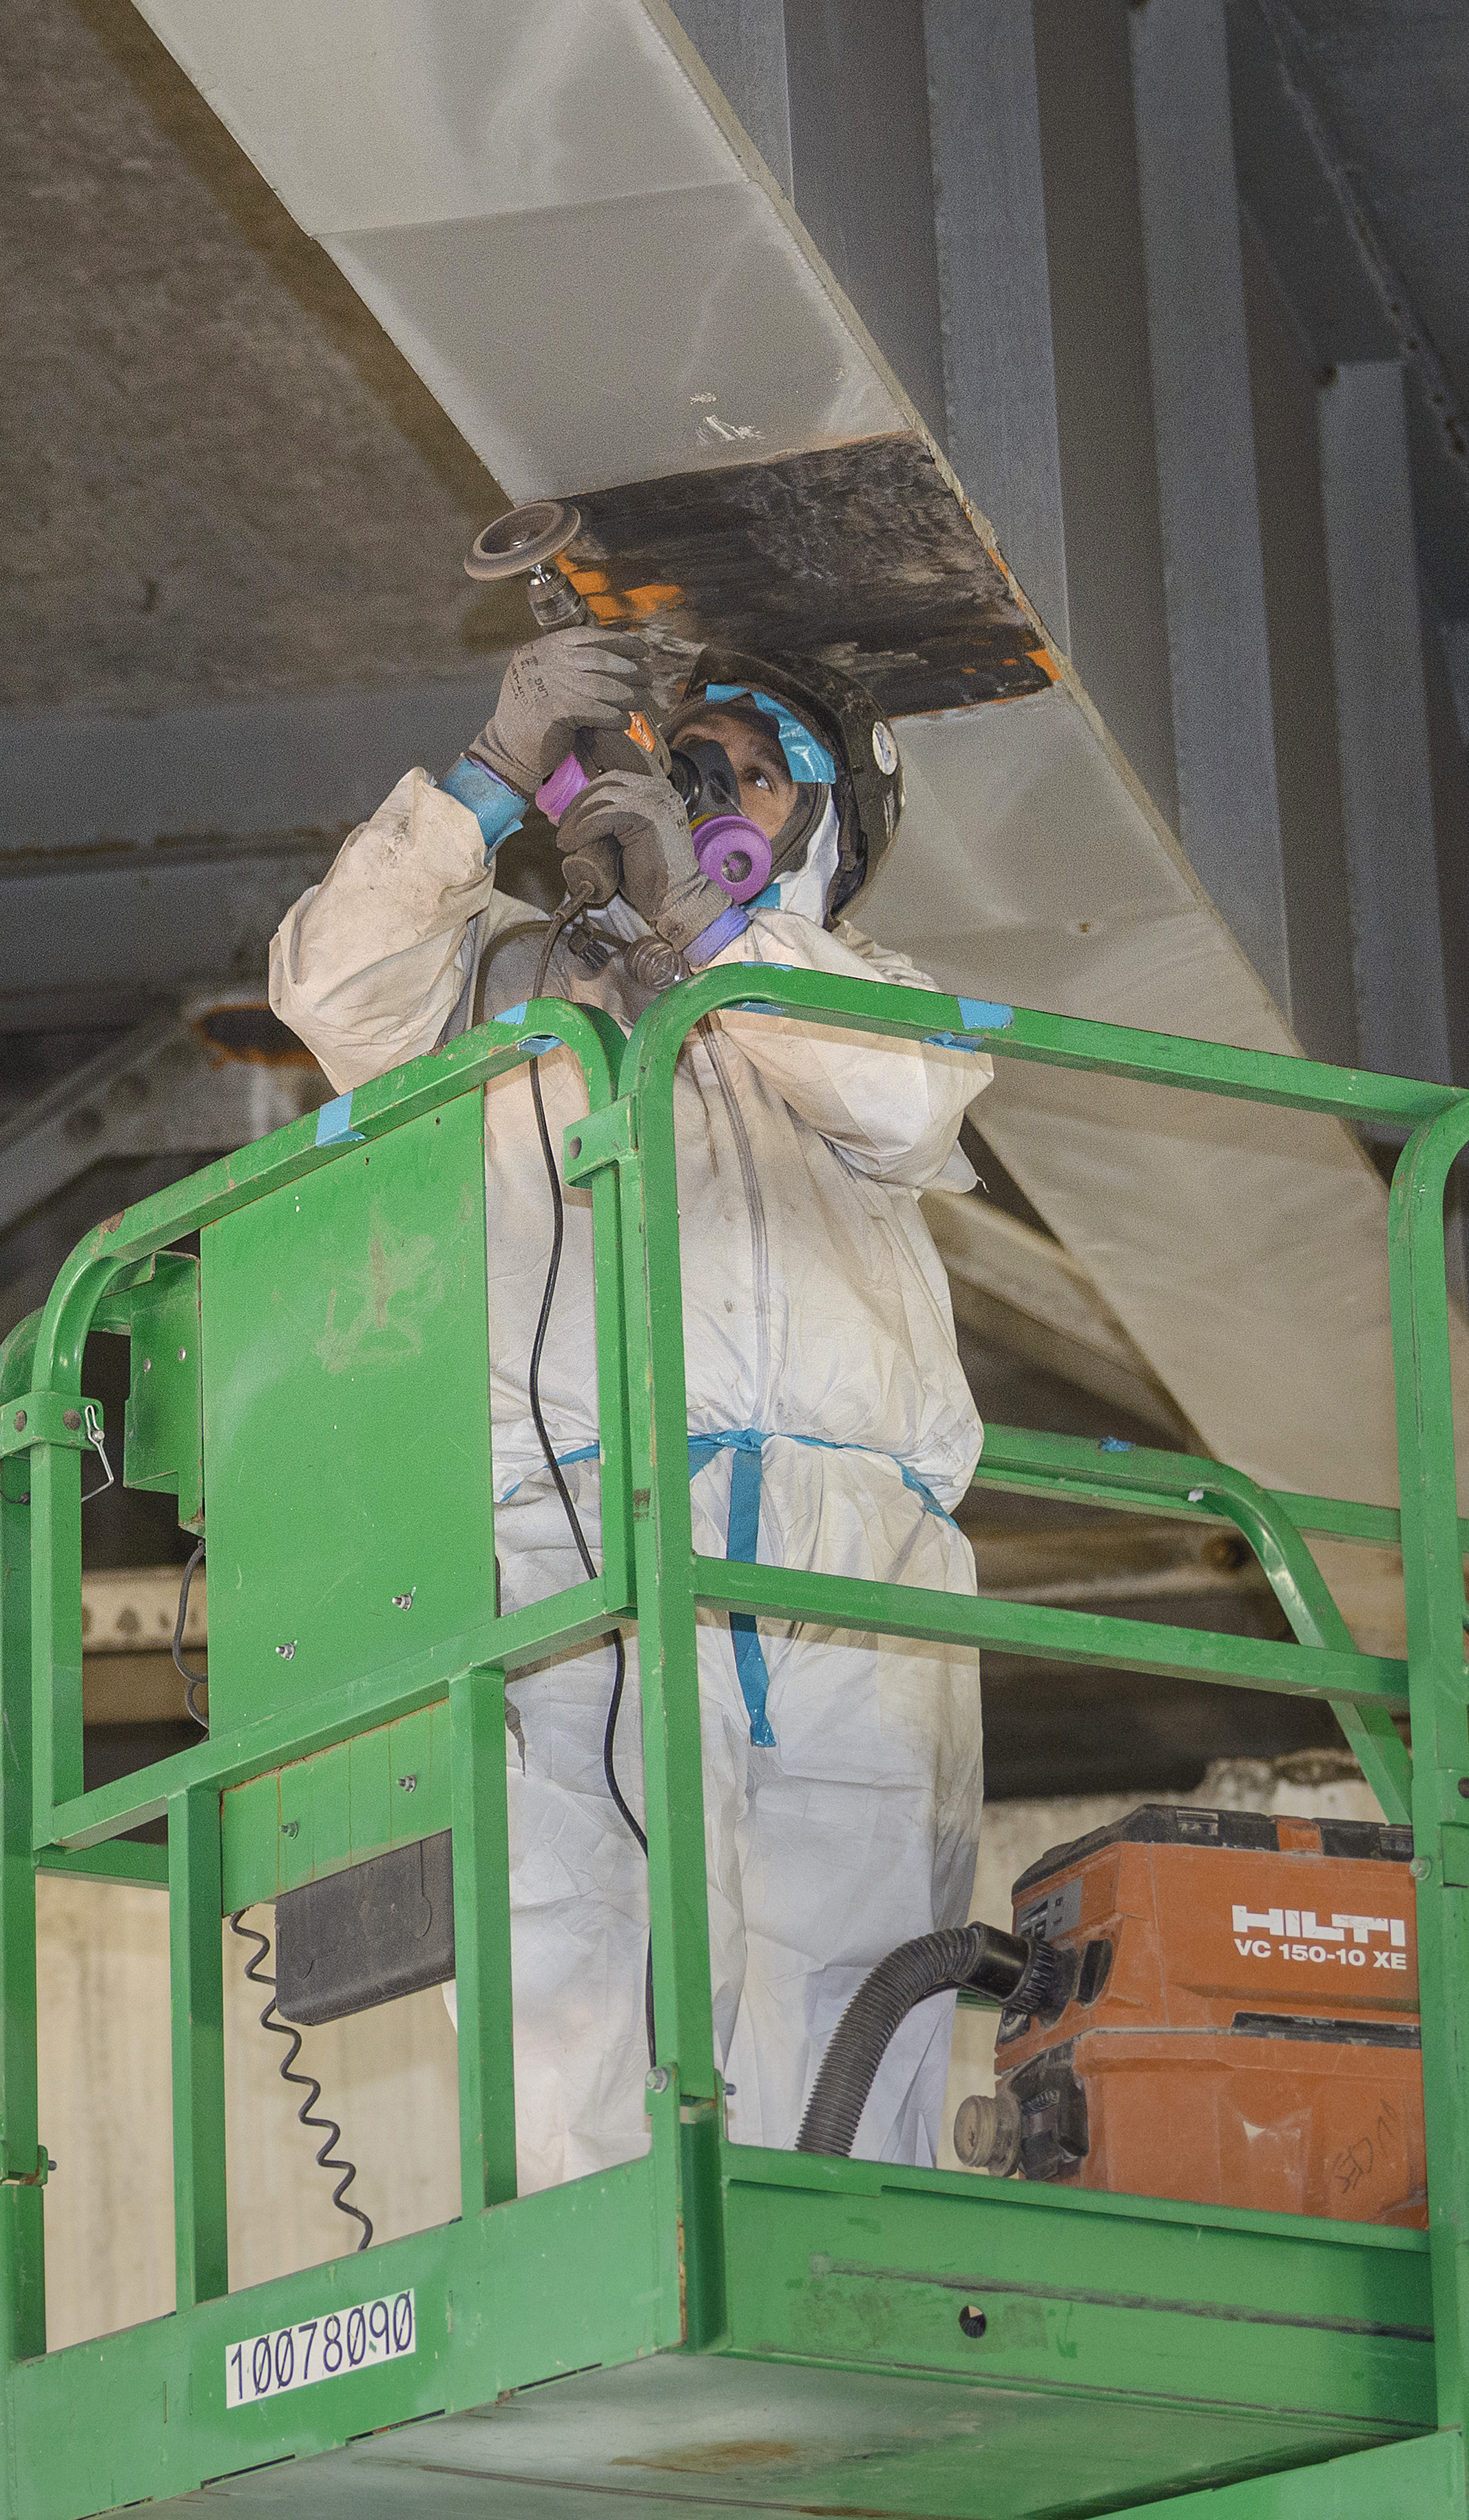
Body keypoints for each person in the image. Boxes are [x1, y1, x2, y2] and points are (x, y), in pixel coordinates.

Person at [265, 624, 993, 2186]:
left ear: (817, 820)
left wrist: (708, 926)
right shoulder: (506, 988)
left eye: (736, 760)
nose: (689, 773)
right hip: (576, 1523)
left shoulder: (853, 1000)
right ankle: (589, 2301)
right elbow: (331, 985)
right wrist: (490, 769)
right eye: (675, 748)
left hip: (847, 1556)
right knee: (571, 1937)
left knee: (852, 1956)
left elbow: (904, 1095)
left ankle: (839, 2287)